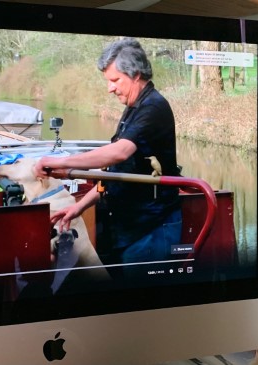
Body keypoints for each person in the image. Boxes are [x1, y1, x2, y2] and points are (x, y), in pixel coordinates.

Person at [34, 37, 182, 273]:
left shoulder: (153, 107)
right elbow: (116, 173)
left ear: (135, 75)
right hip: (128, 230)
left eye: (115, 80)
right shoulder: (133, 107)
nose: (110, 88)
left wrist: (60, 162)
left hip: (151, 230)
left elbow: (119, 152)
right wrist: (79, 206)